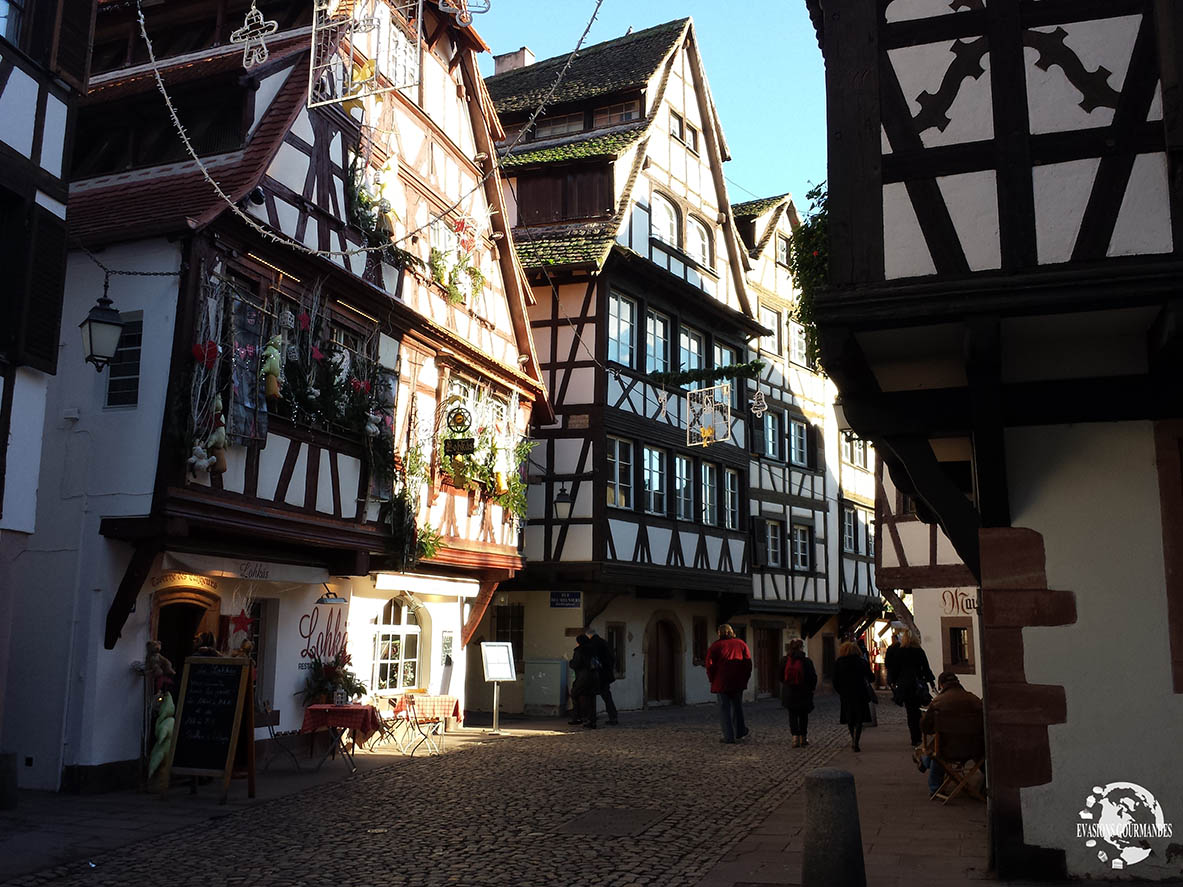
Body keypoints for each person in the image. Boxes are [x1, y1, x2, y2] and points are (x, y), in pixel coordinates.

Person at [916, 672, 984, 795]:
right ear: (958, 682)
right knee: (940, 744)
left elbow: (925, 727)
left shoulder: (938, 702)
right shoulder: (973, 699)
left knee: (938, 749)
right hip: (976, 749)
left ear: (941, 685)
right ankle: (925, 761)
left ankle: (934, 786)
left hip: (948, 750)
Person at [705, 624, 752, 744]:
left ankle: (728, 736)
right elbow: (748, 663)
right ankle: (740, 731)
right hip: (737, 681)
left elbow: (709, 665)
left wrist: (713, 679)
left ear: (719, 633)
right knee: (737, 707)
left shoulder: (716, 646)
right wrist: (745, 678)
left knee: (724, 709)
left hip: (721, 682)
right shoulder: (741, 644)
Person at [894, 630, 937, 745]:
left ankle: (915, 738)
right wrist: (932, 683)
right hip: (918, 686)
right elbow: (926, 669)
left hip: (906, 686)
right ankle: (920, 736)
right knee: (919, 712)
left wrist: (894, 683)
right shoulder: (919, 651)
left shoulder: (900, 652)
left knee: (911, 713)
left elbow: (895, 670)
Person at [832, 640, 874, 751]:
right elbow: (871, 677)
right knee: (859, 719)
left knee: (849, 718)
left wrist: (840, 691)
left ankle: (853, 738)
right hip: (860, 693)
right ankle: (856, 741)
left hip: (846, 694)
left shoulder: (839, 662)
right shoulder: (861, 662)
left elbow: (835, 681)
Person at [780, 638, 817, 747]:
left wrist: (787, 685)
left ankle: (794, 738)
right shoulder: (807, 661)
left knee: (792, 715)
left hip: (789, 692)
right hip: (804, 692)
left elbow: (780, 676)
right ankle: (803, 738)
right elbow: (813, 677)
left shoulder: (784, 660)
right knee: (803, 716)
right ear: (801, 648)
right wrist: (811, 688)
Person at [583, 626, 619, 725]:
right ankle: (613, 717)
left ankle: (591, 718)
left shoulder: (592, 644)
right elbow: (612, 658)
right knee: (607, 696)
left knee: (591, 696)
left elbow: (592, 660)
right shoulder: (603, 642)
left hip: (598, 675)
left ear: (588, 635)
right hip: (606, 674)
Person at [569, 634, 602, 729]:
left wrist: (571, 663)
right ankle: (591, 720)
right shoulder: (593, 649)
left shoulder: (580, 650)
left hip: (584, 677)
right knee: (591, 698)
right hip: (595, 677)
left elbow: (576, 664)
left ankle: (578, 717)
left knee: (575, 694)